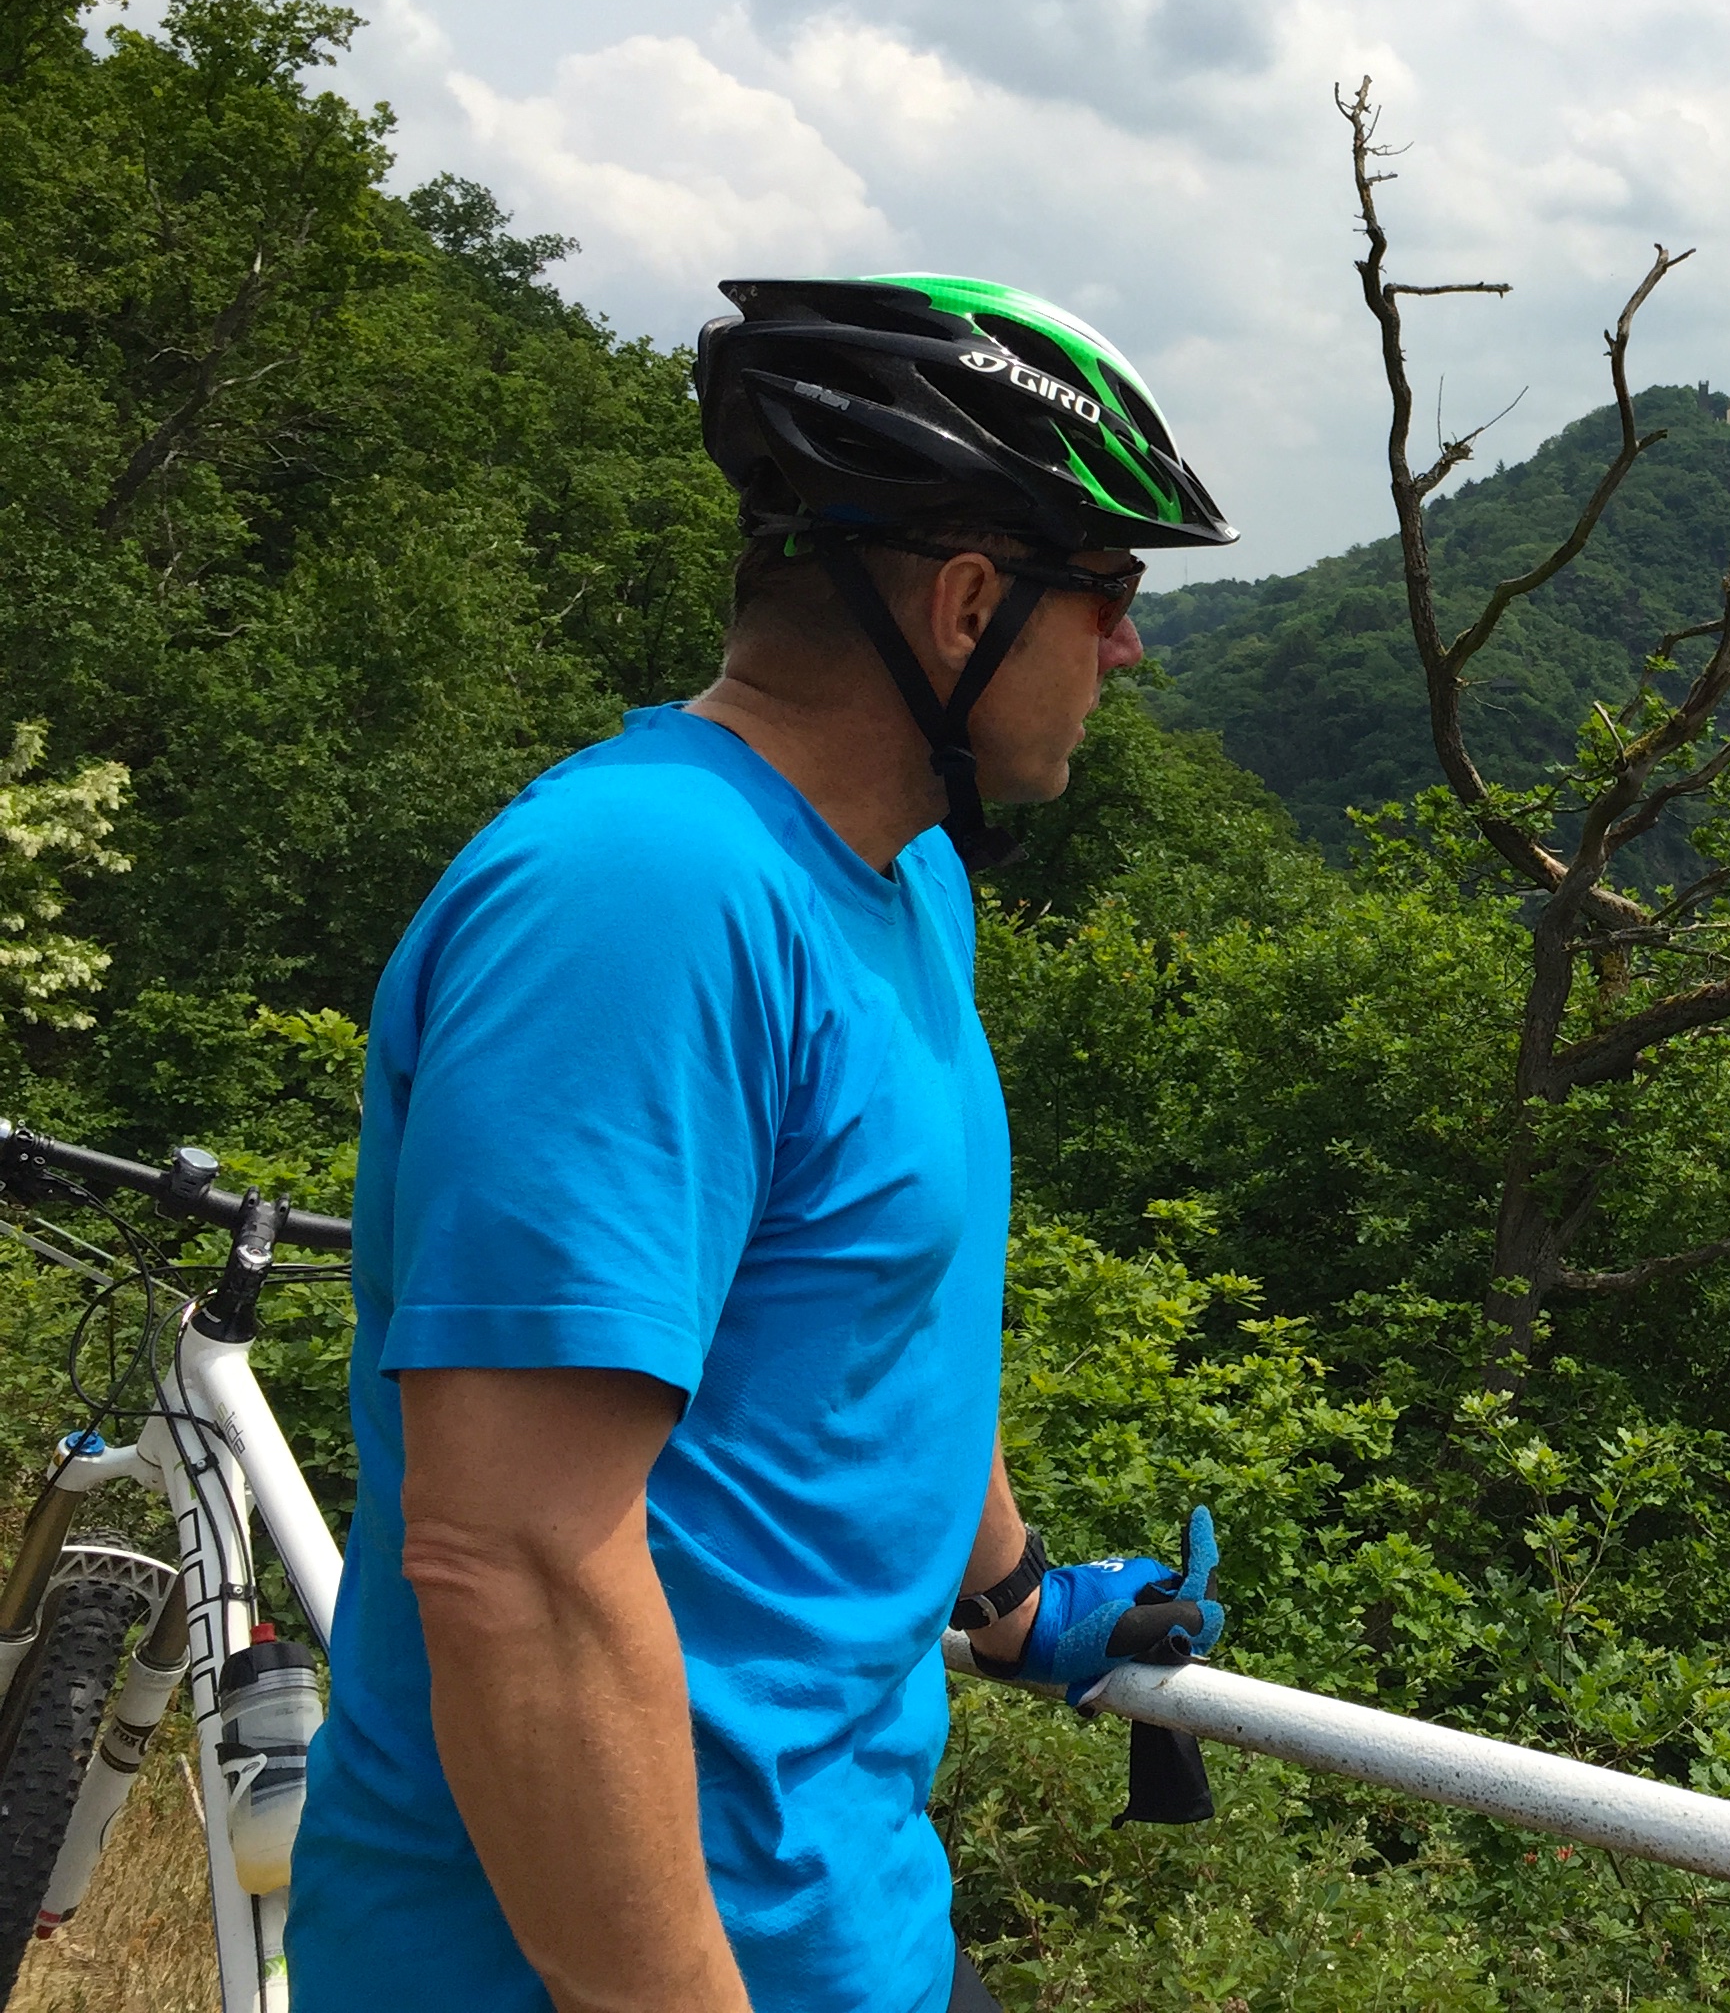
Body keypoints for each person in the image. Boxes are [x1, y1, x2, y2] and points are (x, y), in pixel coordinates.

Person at [293, 277, 1238, 2013]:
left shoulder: (903, 878)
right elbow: (512, 1557)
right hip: (591, 1967)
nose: (1126, 649)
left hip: (847, 1917)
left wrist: (1015, 1592)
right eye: (1108, 592)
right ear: (969, 604)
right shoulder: (643, 895)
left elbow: (877, 1306)